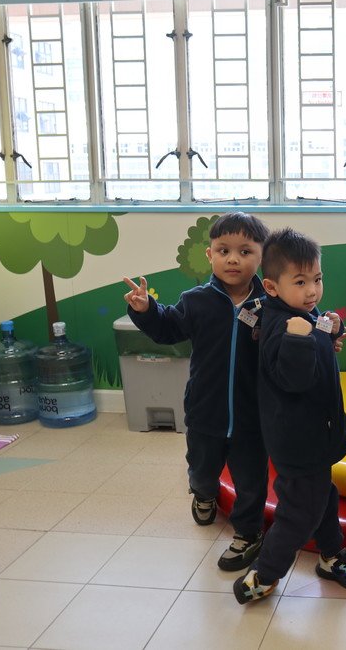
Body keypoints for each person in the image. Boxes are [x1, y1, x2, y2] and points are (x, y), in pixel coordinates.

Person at [123, 211, 270, 573]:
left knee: (251, 480)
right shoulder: (196, 300)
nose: (233, 259)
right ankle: (203, 495)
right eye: (223, 250)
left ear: (261, 256)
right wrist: (146, 309)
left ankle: (248, 533)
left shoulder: (271, 303)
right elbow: (167, 328)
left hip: (254, 415)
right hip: (205, 410)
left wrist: (328, 332)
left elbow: (305, 322)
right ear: (210, 255)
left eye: (245, 251)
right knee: (203, 470)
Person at [233, 227, 346, 604]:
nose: (312, 290)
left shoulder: (301, 314)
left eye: (317, 279)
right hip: (298, 440)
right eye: (300, 282)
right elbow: (292, 380)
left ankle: (331, 554)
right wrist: (298, 339)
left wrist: (331, 331)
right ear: (272, 287)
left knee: (321, 495)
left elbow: (317, 338)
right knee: (299, 512)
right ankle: (264, 574)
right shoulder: (280, 325)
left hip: (315, 433)